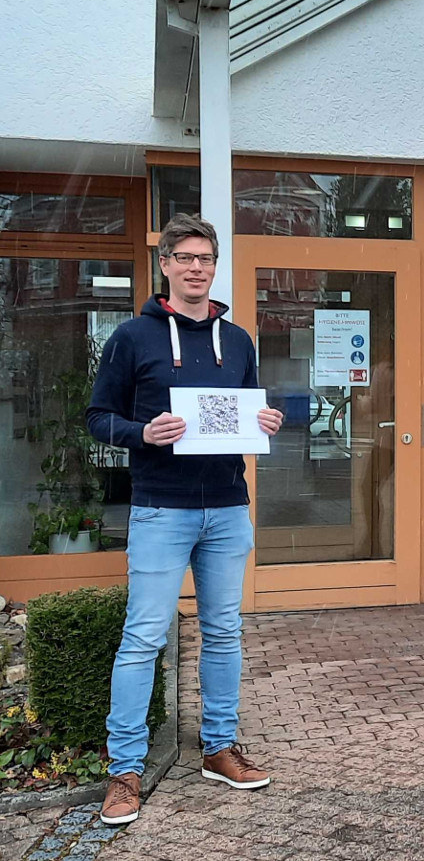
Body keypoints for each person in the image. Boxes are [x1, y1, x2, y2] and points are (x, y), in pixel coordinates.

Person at [88, 214, 284, 825]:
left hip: (227, 506)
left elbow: (248, 412)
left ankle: (218, 749)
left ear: (214, 266)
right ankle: (124, 770)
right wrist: (141, 432)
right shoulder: (131, 338)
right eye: (186, 257)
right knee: (143, 637)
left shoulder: (240, 340)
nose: (197, 267)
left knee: (224, 631)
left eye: (206, 258)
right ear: (165, 264)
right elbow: (98, 418)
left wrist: (265, 423)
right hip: (161, 509)